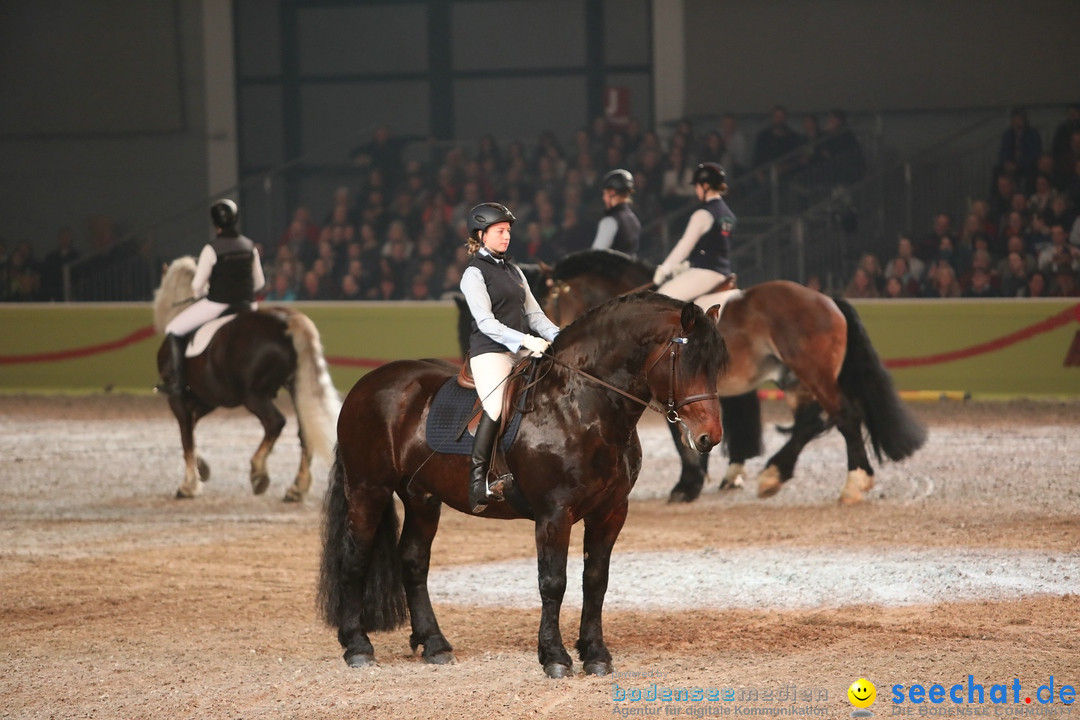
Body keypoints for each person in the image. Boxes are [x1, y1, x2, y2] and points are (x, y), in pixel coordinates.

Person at [459, 202, 560, 513]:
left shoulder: (514, 271)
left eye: (508, 232)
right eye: (500, 231)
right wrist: (525, 340)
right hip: (490, 352)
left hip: (522, 347)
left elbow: (534, 313)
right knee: (496, 403)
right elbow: (487, 323)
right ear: (481, 234)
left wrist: (561, 336)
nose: (506, 237)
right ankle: (478, 482)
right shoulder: (473, 274)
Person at [159, 200, 266, 395]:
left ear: (215, 223)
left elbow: (197, 286)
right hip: (249, 307)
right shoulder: (250, 246)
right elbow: (259, 283)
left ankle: (178, 382)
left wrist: (202, 293)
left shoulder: (212, 249)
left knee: (173, 329)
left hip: (218, 305)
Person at [652, 162, 735, 310]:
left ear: (705, 186)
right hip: (724, 273)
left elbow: (684, 246)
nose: (696, 190)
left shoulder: (704, 213)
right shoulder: (729, 215)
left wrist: (664, 269)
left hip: (705, 273)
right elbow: (714, 246)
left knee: (660, 300)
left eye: (697, 186)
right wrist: (688, 265)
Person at [591, 169, 642, 257]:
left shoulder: (610, 221)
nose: (604, 198)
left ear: (612, 192)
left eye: (605, 193)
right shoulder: (634, 220)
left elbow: (595, 255)